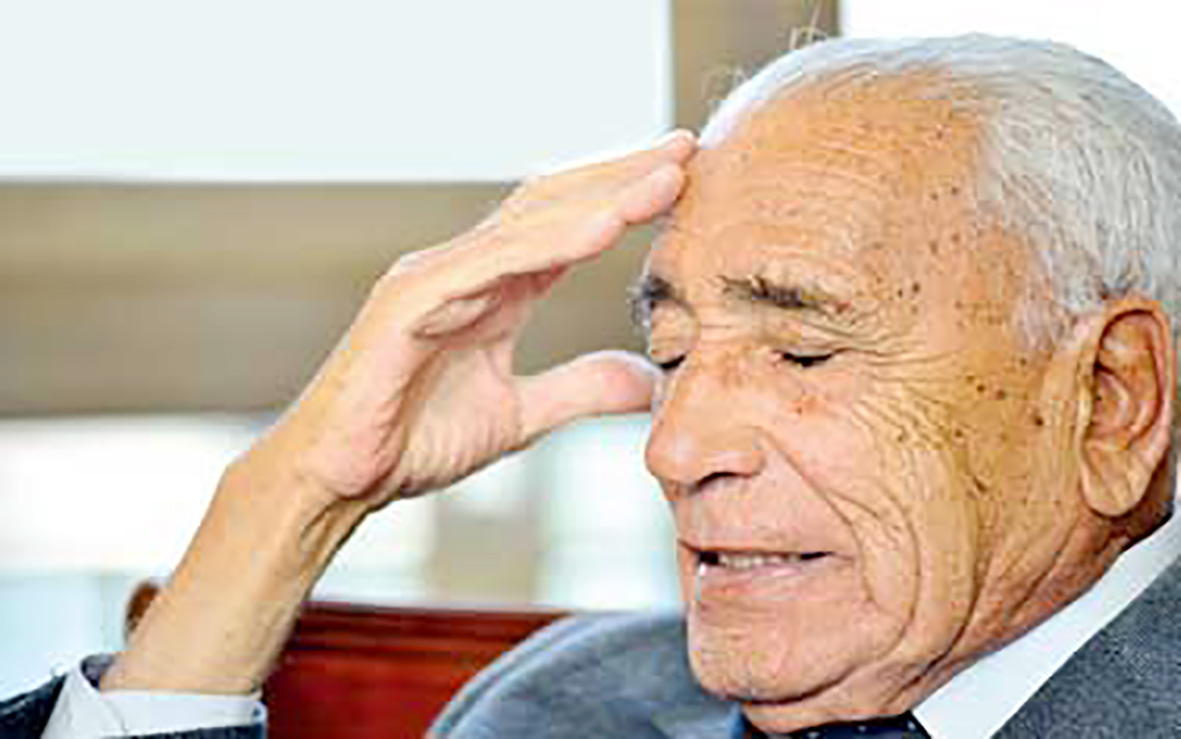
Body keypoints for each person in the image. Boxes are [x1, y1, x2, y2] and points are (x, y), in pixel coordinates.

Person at [5, 32, 1181, 737]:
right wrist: (297, 494)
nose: (672, 449)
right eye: (670, 357)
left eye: (801, 353)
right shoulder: (564, 707)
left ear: (1110, 400)